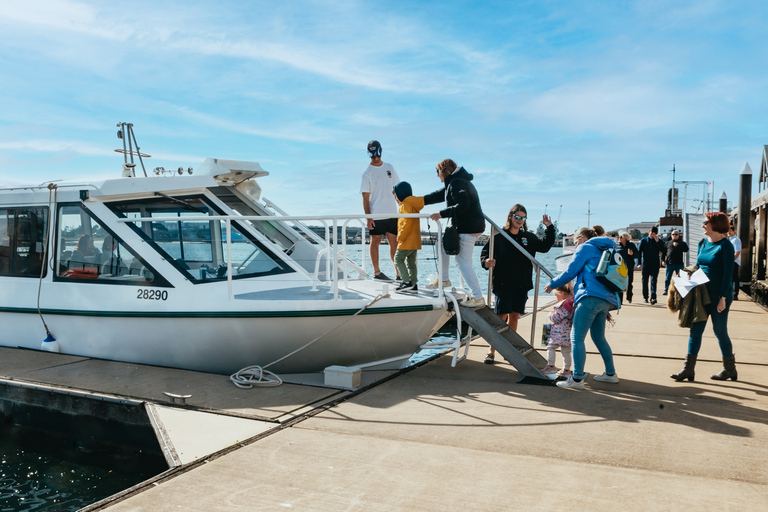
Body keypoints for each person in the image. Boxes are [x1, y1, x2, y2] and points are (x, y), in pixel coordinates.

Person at [545, 227, 620, 390]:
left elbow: (570, 272)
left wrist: (552, 284)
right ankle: (610, 373)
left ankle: (577, 379)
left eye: (575, 241)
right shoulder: (604, 248)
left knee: (576, 337)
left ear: (582, 238)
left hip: (589, 297)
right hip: (605, 299)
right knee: (599, 337)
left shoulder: (585, 247)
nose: (574, 244)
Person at [479, 205, 555, 364]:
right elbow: (485, 253)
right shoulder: (499, 236)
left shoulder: (528, 237)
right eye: (517, 217)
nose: (519, 220)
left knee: (514, 316)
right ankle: (491, 351)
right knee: (500, 317)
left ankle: (509, 349)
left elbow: (545, 247)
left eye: (523, 218)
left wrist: (549, 228)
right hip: (503, 283)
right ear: (511, 216)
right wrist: (486, 262)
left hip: (522, 283)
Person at [671, 212, 737, 382]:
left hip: (719, 295)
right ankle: (688, 370)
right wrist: (687, 279)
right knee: (696, 330)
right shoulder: (703, 243)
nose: (703, 225)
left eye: (706, 222)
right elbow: (699, 266)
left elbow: (728, 274)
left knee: (720, 331)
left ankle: (729, 369)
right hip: (701, 294)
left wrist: (723, 297)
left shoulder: (726, 246)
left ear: (716, 225)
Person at [424, 158, 486, 308]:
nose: (437, 175)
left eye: (437, 171)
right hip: (470, 226)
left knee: (462, 263)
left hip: (468, 228)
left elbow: (463, 204)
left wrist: (442, 213)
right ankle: (444, 278)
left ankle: (478, 297)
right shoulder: (456, 181)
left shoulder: (457, 182)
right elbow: (439, 195)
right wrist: (419, 201)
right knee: (442, 243)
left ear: (444, 171)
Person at [360, 140, 400, 282]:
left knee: (394, 243)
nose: (375, 158)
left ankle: (399, 274)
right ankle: (377, 273)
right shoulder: (367, 173)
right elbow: (365, 198)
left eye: (377, 155)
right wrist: (368, 218)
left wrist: (402, 208)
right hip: (376, 215)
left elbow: (397, 190)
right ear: (369, 155)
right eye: (372, 156)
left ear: (381, 151)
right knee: (375, 241)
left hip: (392, 213)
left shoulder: (389, 167)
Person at [392, 181, 425, 293]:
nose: (396, 198)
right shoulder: (413, 204)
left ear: (401, 194)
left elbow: (407, 222)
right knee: (411, 263)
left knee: (398, 259)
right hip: (414, 240)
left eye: (396, 195)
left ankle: (406, 282)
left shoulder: (405, 205)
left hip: (406, 240)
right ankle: (413, 284)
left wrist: (400, 236)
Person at [542, 283, 575, 376]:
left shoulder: (564, 305)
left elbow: (556, 318)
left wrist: (550, 315)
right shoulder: (572, 302)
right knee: (566, 352)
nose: (556, 297)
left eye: (556, 295)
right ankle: (567, 369)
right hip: (568, 332)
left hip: (559, 332)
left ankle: (551, 366)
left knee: (550, 347)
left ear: (560, 293)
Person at [637, 226, 664, 304]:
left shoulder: (659, 241)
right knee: (644, 281)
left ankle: (653, 297)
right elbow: (639, 253)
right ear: (649, 232)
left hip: (655, 264)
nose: (652, 235)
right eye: (651, 233)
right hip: (645, 264)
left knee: (653, 281)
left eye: (654, 234)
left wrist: (658, 241)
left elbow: (662, 250)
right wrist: (638, 263)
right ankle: (645, 297)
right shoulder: (643, 241)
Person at [662, 230, 689, 295]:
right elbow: (664, 252)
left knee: (680, 277)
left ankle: (680, 290)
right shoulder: (667, 243)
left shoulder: (682, 243)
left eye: (676, 234)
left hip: (679, 263)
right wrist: (663, 260)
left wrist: (678, 245)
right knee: (668, 277)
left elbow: (686, 249)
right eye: (673, 234)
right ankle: (666, 289)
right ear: (671, 235)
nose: (674, 235)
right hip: (669, 263)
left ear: (678, 235)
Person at [617, 232, 638, 303]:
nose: (619, 238)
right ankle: (620, 300)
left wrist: (632, 254)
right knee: (620, 282)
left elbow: (637, 255)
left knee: (629, 282)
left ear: (625, 238)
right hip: (620, 268)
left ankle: (629, 297)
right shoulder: (617, 246)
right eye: (619, 237)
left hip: (629, 266)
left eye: (621, 237)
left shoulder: (631, 245)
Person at [728, 224, 742, 300]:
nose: (729, 232)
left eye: (730, 231)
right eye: (728, 231)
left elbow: (737, 251)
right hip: (731, 261)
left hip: (734, 261)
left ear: (734, 231)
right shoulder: (730, 239)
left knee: (734, 278)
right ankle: (732, 293)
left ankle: (735, 294)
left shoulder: (736, 240)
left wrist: (732, 260)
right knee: (731, 278)